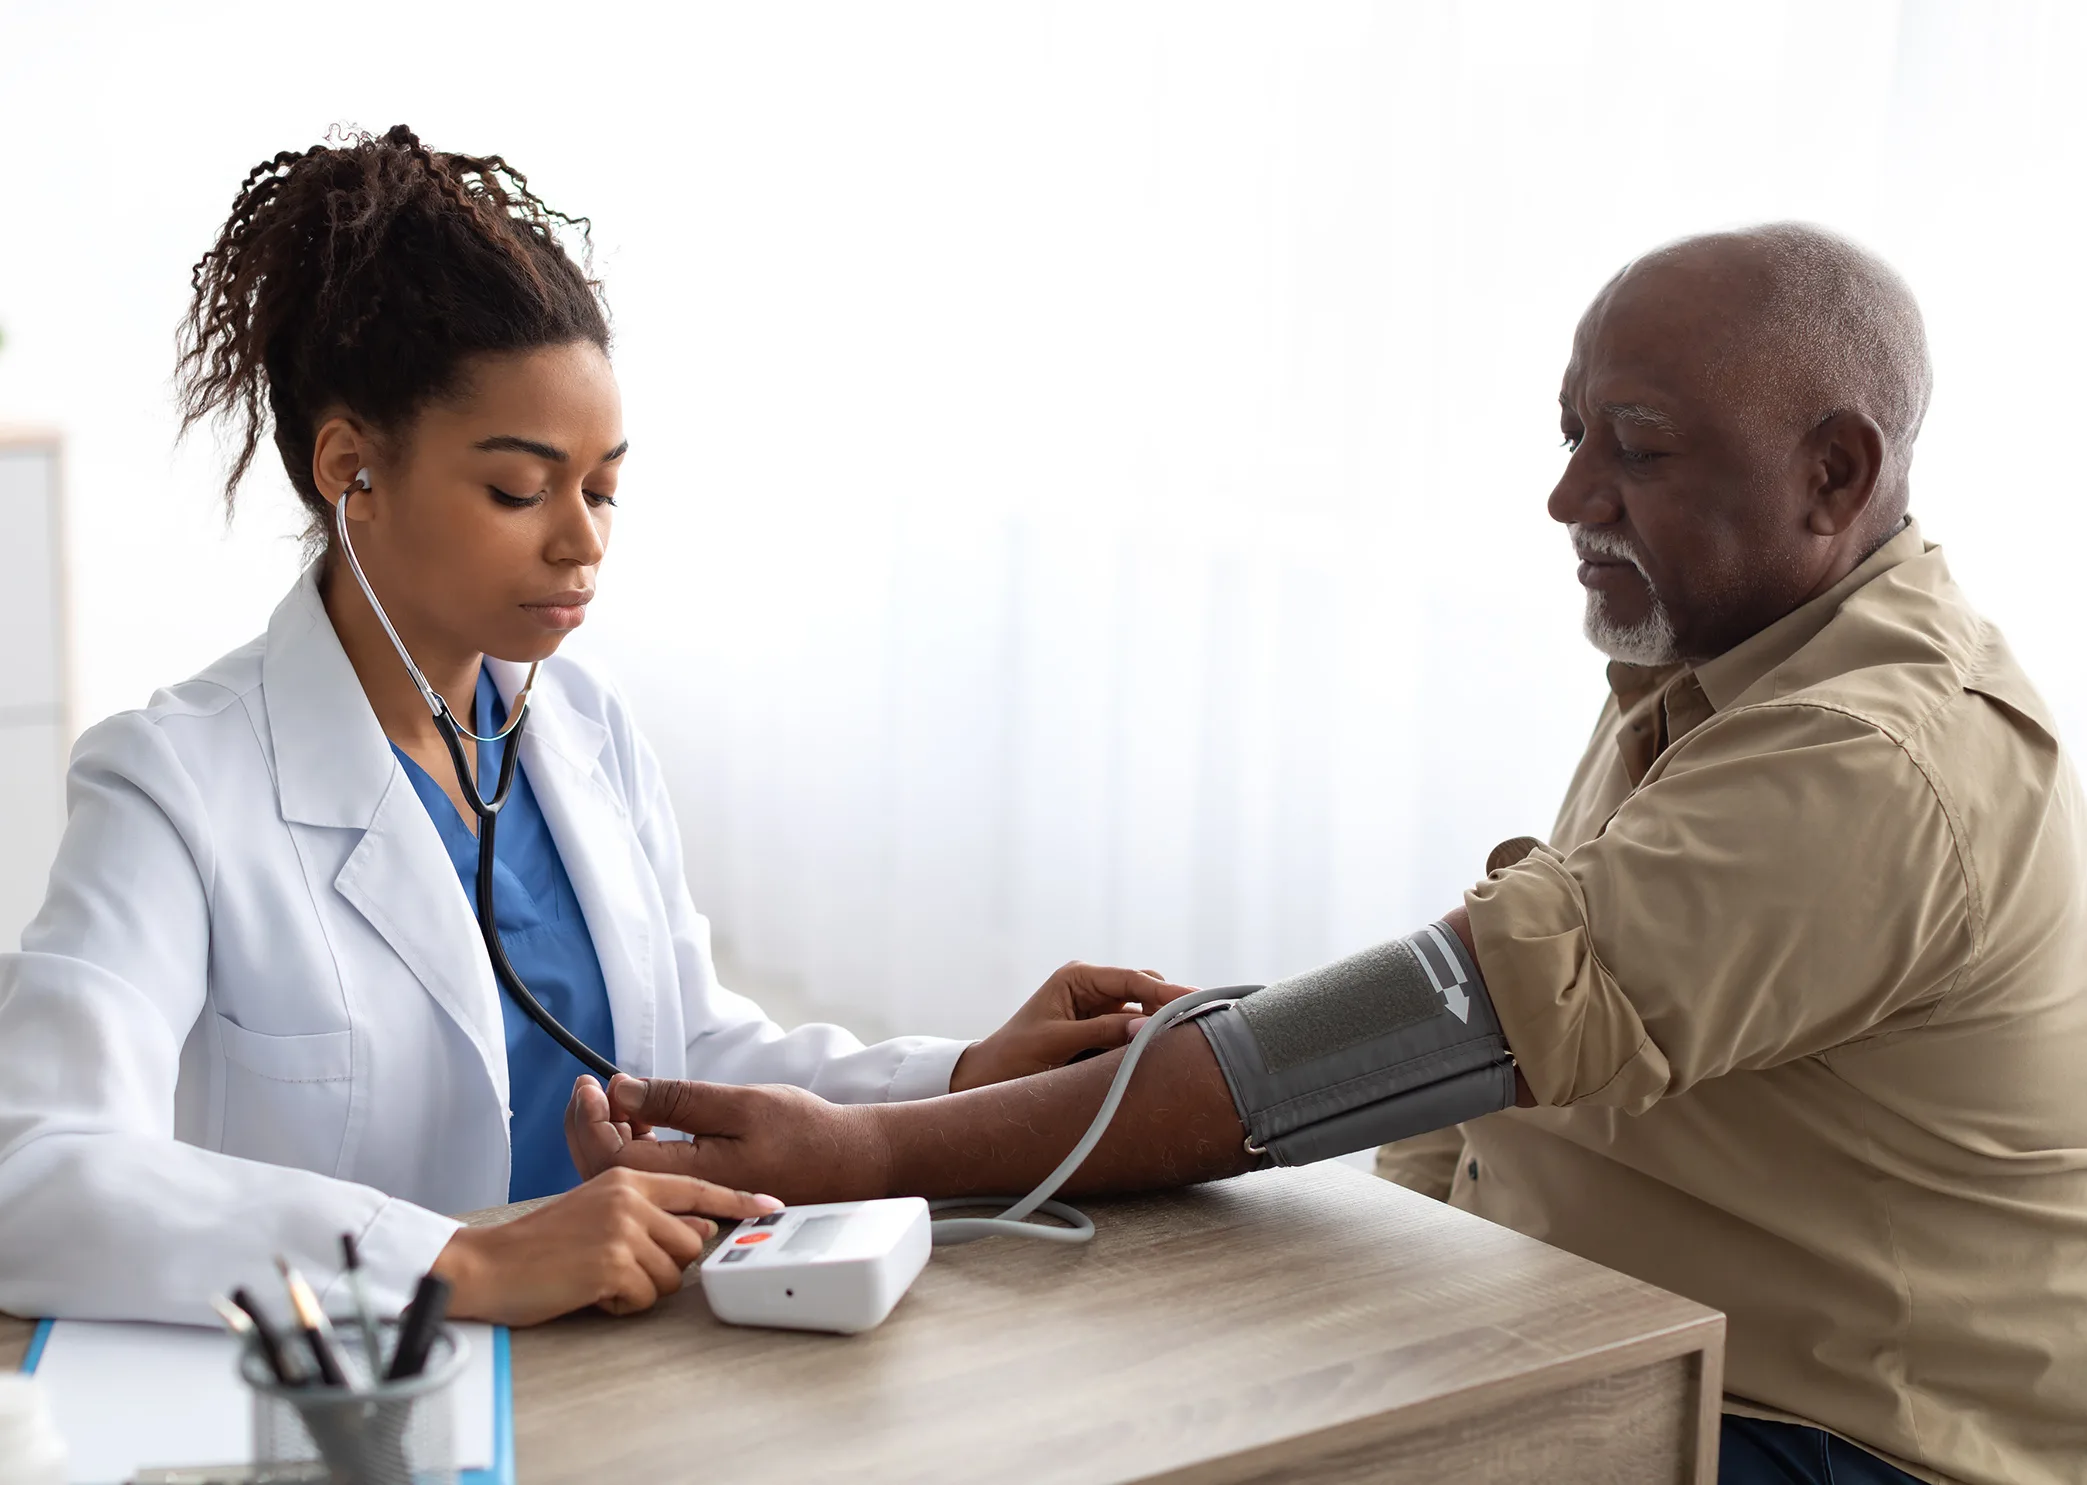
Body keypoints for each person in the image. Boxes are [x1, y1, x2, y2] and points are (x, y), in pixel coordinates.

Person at [569, 225, 2087, 1485]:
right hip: (1623, 1333)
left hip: (1833, 1442)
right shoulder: (1719, 660)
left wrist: (874, 1149)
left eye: (1631, 448)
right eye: (1568, 436)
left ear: (1832, 474)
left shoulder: (1869, 759)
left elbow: (1442, 1019)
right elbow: (1496, 1071)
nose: (1568, 499)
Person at [0, 126, 1183, 1330]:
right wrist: (458, 1264)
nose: (582, 541)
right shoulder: (172, 785)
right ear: (352, 471)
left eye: (601, 487)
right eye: (520, 490)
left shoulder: (581, 724)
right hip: (378, 1404)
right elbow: (35, 1174)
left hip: (642, 1363)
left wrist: (963, 1078)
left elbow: (692, 1049)